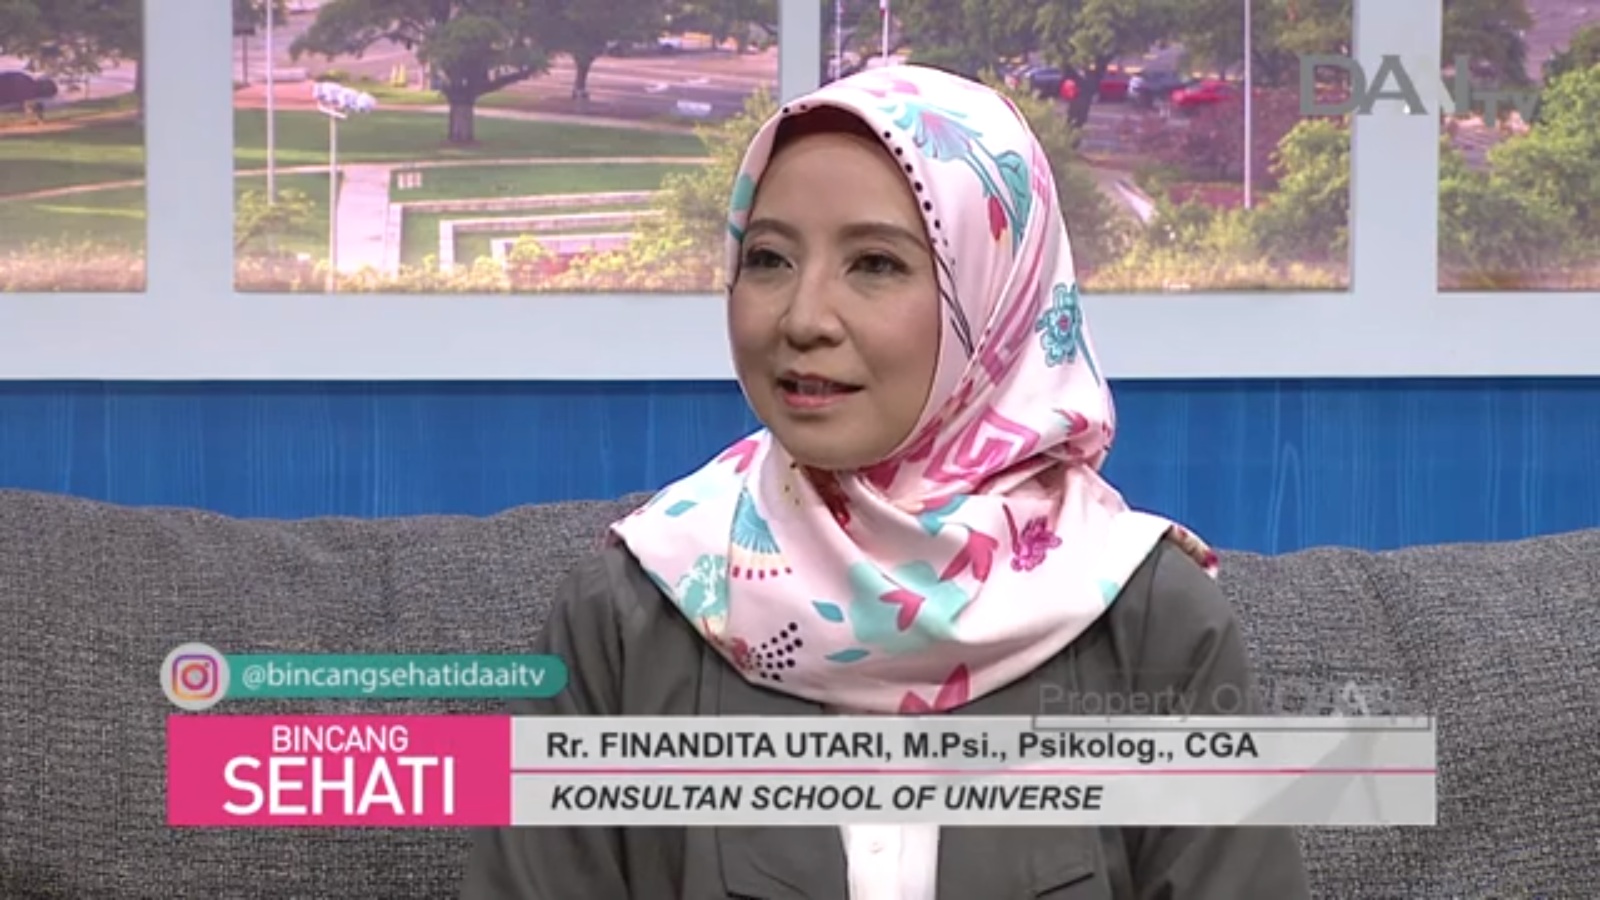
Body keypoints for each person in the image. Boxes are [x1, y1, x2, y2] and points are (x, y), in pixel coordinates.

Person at [461, 63, 1311, 899]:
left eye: (874, 264)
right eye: (768, 258)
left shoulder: (1147, 621)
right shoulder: (635, 608)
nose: (803, 318)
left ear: (994, 300)